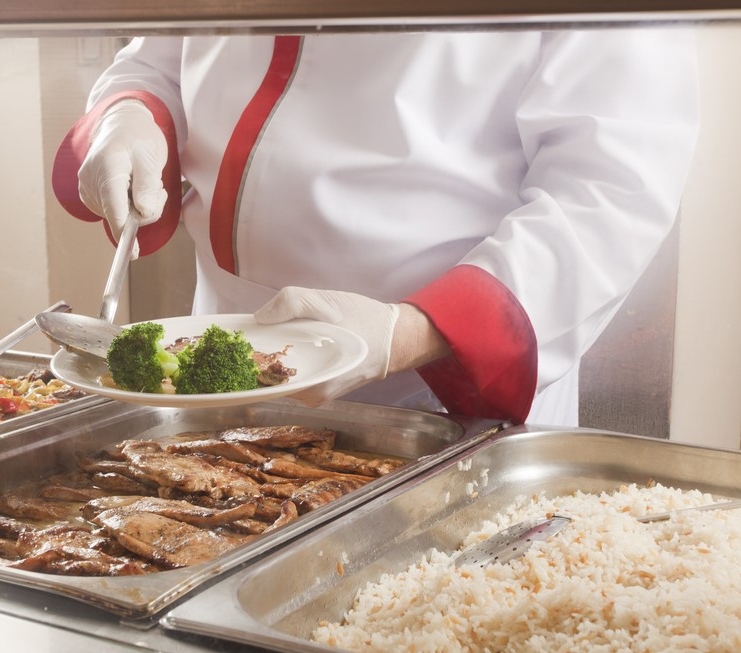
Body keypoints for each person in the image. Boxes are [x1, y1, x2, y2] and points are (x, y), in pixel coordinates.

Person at [51, 30, 700, 426]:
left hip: (436, 383)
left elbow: (607, 192)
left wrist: (408, 333)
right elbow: (162, 53)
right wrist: (129, 114)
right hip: (219, 353)